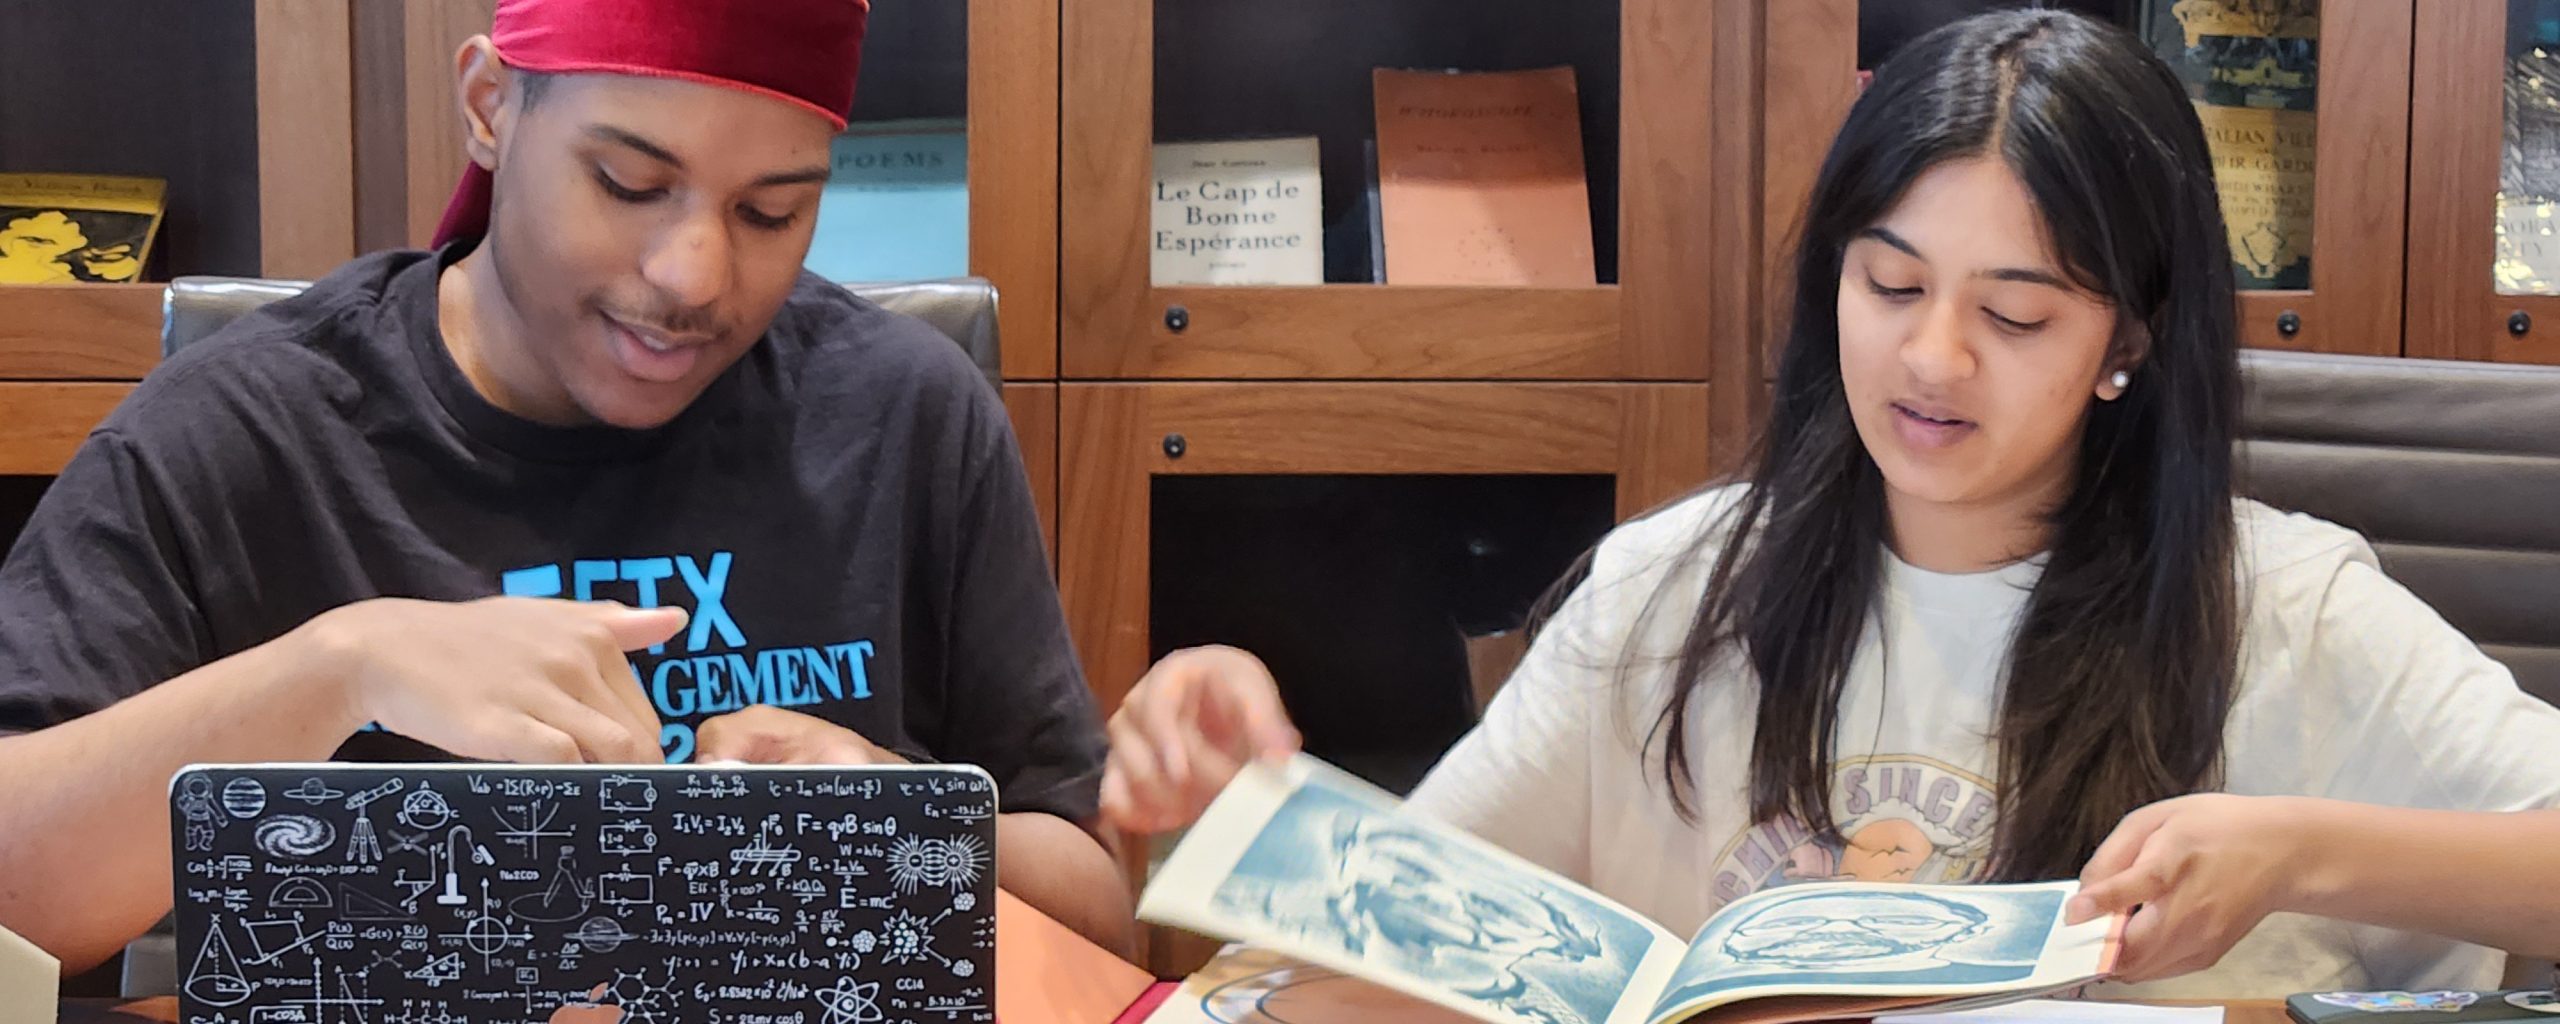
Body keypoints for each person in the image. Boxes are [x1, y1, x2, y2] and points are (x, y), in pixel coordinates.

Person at [1100, 10, 2560, 997]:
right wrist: (1240, 823)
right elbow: (1399, 953)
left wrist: (2302, 851)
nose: (1932, 358)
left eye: (2020, 313)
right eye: (1893, 284)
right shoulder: (1672, 595)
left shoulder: (2280, 612)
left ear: (2132, 340)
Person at [0, 0, 1131, 971]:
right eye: (629, 183)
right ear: (492, 106)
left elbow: (1099, 912)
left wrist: (899, 819)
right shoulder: (244, 428)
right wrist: (337, 672)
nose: (694, 275)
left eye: (769, 212)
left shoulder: (903, 414)